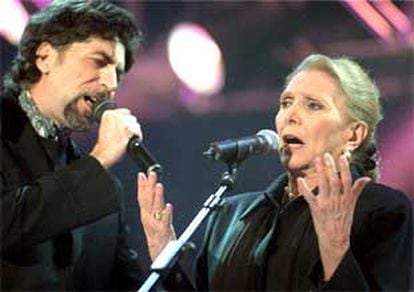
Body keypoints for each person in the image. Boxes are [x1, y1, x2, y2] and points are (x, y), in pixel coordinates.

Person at [137, 54, 413, 290]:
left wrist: (335, 247)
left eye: (313, 105)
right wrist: (166, 259)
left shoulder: (380, 210)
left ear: (354, 134)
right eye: (286, 102)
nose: (291, 115)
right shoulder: (231, 216)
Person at [1, 0, 145, 290]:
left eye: (117, 71)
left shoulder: (104, 186)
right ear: (45, 57)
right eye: (99, 61)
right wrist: (100, 158)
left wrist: (164, 253)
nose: (111, 82)